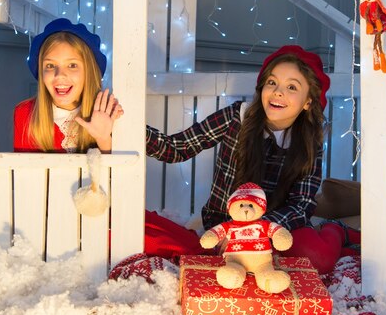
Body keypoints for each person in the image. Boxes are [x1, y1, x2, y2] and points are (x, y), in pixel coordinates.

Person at [145, 45, 360, 274]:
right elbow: (177, 148)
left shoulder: (308, 142)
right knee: (172, 243)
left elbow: (301, 204)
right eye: (272, 82)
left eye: (291, 87)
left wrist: (257, 233)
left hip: (274, 230)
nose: (278, 92)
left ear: (308, 102)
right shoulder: (235, 118)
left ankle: (337, 230)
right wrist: (128, 131)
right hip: (225, 227)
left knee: (317, 257)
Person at [14, 18, 123, 153]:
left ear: (88, 71)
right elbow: (24, 171)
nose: (60, 75)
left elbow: (123, 171)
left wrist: (103, 139)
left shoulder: (109, 111)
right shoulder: (25, 113)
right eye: (50, 65)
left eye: (72, 65)